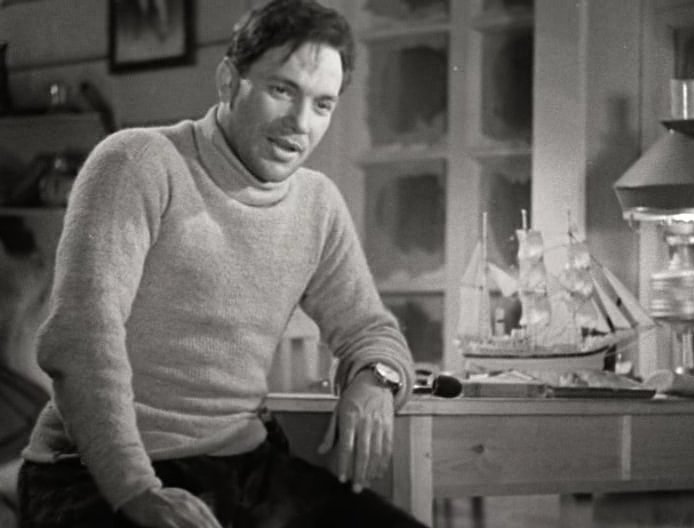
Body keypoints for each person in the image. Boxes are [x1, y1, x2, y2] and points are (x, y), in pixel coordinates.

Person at [17, 0, 428, 527]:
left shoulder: (317, 203)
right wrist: (137, 491)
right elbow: (80, 340)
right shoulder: (137, 162)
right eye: (282, 90)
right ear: (229, 81)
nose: (300, 124)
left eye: (322, 105)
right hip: (94, 474)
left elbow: (370, 329)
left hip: (246, 470)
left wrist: (376, 379)